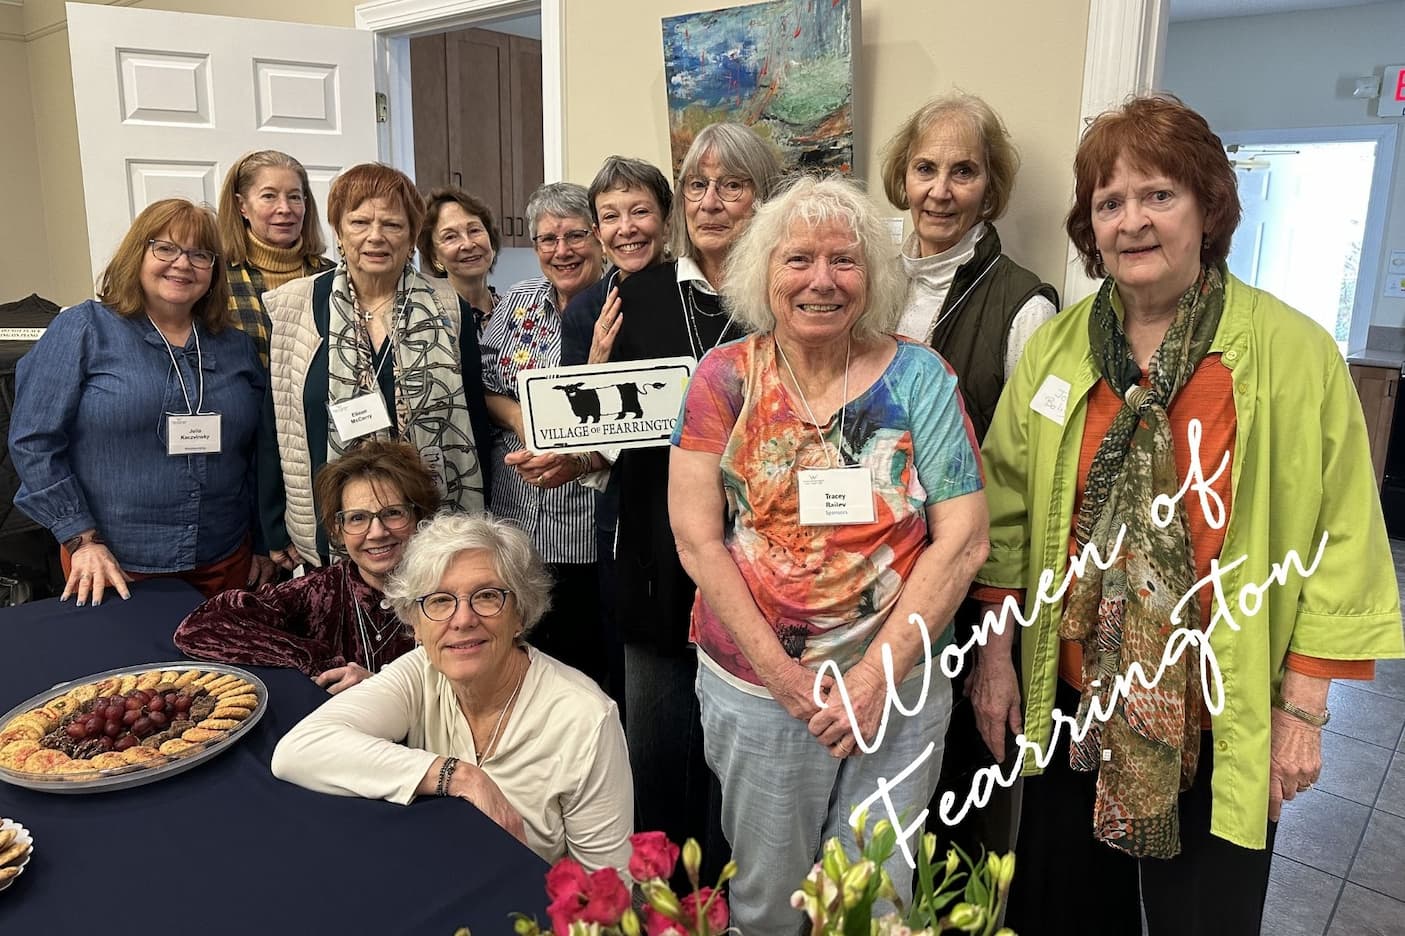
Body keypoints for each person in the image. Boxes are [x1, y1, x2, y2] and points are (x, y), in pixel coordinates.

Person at [969, 94, 1404, 936]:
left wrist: (1303, 713)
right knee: (1061, 913)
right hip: (1075, 698)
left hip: (1217, 708)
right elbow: (1007, 511)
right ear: (1089, 228)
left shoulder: (1290, 351)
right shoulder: (1059, 351)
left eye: (1157, 195)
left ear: (1208, 209)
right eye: (1108, 202)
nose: (1131, 221)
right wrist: (994, 660)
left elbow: (1342, 533)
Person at [670, 174, 989, 934]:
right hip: (759, 687)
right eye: (798, 260)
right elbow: (694, 535)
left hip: (897, 691)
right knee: (768, 898)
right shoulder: (724, 378)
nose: (821, 280)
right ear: (763, 274)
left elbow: (964, 539)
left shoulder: (921, 377)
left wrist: (874, 679)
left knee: (874, 898)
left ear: (872, 277)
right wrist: (784, 679)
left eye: (843, 261)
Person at [565, 125, 782, 883]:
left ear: (763, 197)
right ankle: (659, 910)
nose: (713, 202)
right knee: (657, 756)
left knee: (746, 762)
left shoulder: (786, 294)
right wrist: (578, 414)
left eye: (733, 185)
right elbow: (596, 442)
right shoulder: (632, 294)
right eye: (698, 185)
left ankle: (736, 906)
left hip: (765, 564)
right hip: (654, 558)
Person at [878, 93, 1058, 858]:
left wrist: (994, 653)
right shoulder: (868, 280)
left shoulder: (1024, 307)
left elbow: (1022, 495)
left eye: (963, 172)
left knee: (955, 810)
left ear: (991, 188)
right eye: (925, 169)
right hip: (866, 591)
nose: (940, 190)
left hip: (961, 592)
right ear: (901, 176)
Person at [271, 512, 633, 871]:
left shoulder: (586, 719)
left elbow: (609, 895)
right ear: (415, 622)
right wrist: (459, 776)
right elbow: (297, 751)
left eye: (487, 596)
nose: (462, 620)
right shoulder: (422, 671)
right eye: (440, 601)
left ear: (520, 614)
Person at [10, 198, 266, 605]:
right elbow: (33, 440)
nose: (182, 264)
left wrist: (262, 541)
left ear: (215, 272)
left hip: (224, 557)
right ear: (137, 255)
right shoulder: (84, 328)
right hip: (110, 562)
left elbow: (255, 452)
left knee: (217, 669)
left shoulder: (234, 346)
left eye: (200, 254)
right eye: (165, 248)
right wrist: (81, 538)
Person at [259, 163, 493, 571]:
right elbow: (275, 422)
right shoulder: (294, 306)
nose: (375, 237)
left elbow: (473, 421)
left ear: (412, 235)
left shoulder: (448, 308)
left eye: (392, 224)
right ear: (338, 230)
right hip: (330, 530)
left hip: (434, 531)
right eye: (360, 221)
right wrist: (273, 527)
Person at [175, 439, 438, 693]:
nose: (377, 532)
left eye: (393, 513)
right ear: (337, 529)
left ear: (419, 516)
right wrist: (320, 660)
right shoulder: (320, 590)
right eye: (358, 518)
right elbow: (200, 627)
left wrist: (380, 686)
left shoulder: (447, 588)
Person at [479, 182, 607, 685]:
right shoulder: (519, 303)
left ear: (597, 238)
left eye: (575, 235)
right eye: (547, 239)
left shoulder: (619, 302)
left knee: (588, 659)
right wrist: (526, 422)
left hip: (590, 515)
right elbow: (489, 387)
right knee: (527, 653)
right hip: (519, 509)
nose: (562, 250)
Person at [217, 150, 335, 368]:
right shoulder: (216, 278)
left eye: (294, 197)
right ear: (242, 205)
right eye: (269, 196)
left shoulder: (334, 278)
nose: (285, 209)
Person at [417, 187, 501, 333]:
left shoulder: (515, 312)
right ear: (434, 256)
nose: (468, 244)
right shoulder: (427, 320)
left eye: (474, 230)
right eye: (450, 237)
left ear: (491, 241)